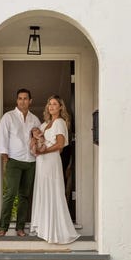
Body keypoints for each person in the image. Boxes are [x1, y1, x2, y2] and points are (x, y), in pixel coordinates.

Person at [30, 95, 79, 245]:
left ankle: (55, 229)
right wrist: (35, 141)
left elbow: (60, 144)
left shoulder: (59, 122)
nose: (51, 106)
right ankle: (43, 227)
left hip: (51, 160)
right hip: (42, 162)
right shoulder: (45, 124)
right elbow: (38, 139)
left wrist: (44, 152)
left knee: (52, 191)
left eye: (54, 104)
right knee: (43, 191)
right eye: (49, 104)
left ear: (60, 107)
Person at [0, 87, 41, 237]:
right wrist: (4, 157)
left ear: (30, 101)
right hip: (13, 160)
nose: (22, 101)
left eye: (25, 98)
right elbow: (3, 138)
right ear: (17, 100)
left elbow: (39, 139)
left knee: (24, 196)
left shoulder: (35, 119)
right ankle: (3, 227)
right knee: (10, 194)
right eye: (20, 98)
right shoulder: (8, 117)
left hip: (30, 161)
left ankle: (20, 228)